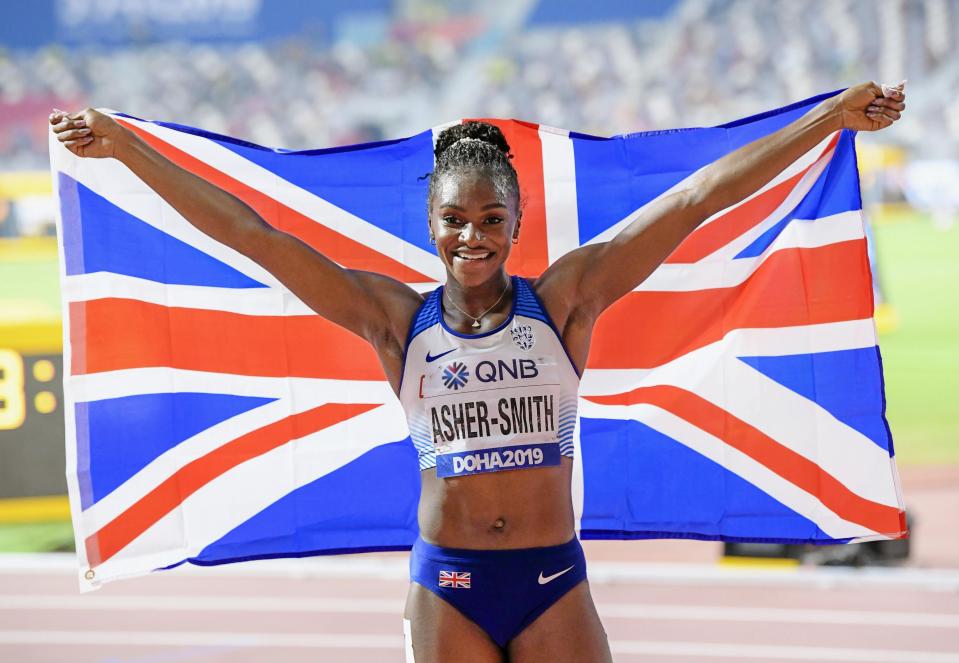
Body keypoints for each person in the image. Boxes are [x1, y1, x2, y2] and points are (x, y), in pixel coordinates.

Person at [51, 80, 905, 662]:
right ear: (431, 223)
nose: (472, 237)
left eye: (490, 218)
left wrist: (826, 118)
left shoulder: (566, 300)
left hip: (552, 580)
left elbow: (696, 199)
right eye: (455, 219)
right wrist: (126, 147)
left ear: (516, 221)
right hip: (447, 583)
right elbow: (253, 236)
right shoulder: (396, 319)